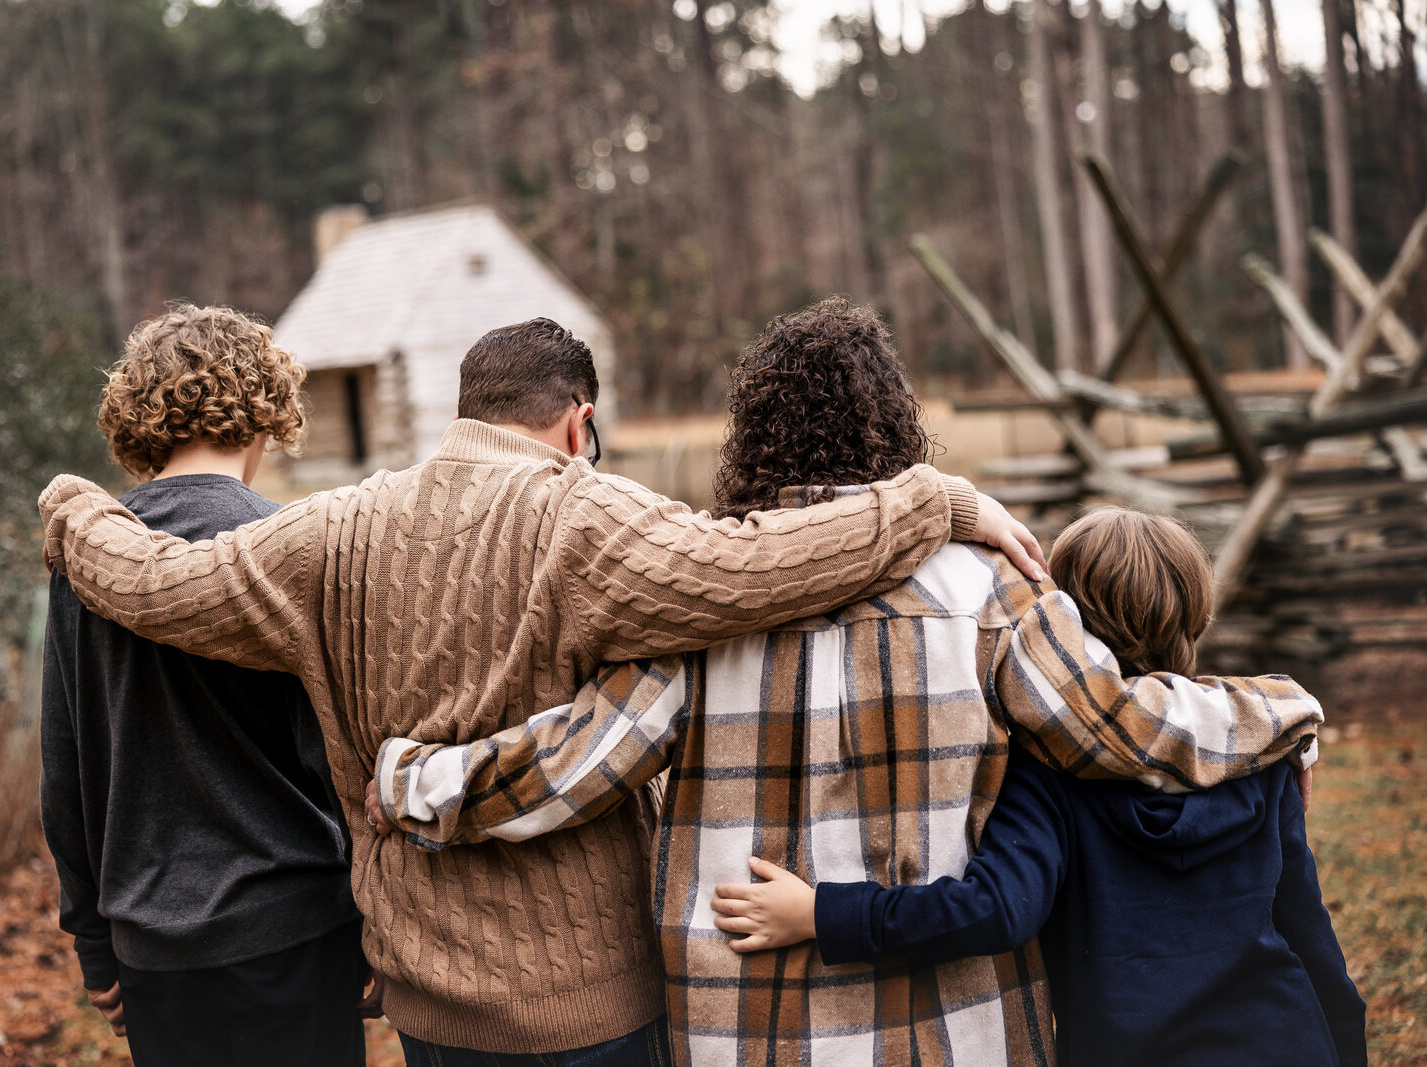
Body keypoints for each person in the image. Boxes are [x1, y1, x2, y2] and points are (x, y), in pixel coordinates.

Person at [38, 314, 1048, 1065]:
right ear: (579, 421)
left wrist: (73, 504)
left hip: (427, 999)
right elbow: (754, 563)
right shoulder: (591, 517)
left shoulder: (334, 530)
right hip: (587, 1005)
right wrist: (935, 497)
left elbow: (153, 583)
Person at [364, 300, 1325, 1067]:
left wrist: (413, 781)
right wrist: (1285, 709)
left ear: (752, 437)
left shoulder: (703, 607)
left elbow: (569, 768)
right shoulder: (991, 591)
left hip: (745, 1030)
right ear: (896, 424)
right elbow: (1123, 728)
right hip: (962, 1030)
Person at [709, 507, 1366, 1067]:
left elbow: (994, 908)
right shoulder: (1254, 743)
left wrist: (821, 913)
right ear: (1196, 611)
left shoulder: (1049, 767)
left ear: (1062, 628)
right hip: (1286, 1040)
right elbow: (1312, 937)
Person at [39, 304, 369, 1066]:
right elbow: (340, 759)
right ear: (266, 410)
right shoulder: (288, 546)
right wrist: (376, 923)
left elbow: (66, 773)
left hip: (152, 943)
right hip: (296, 927)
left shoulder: (81, 558)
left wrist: (95, 940)